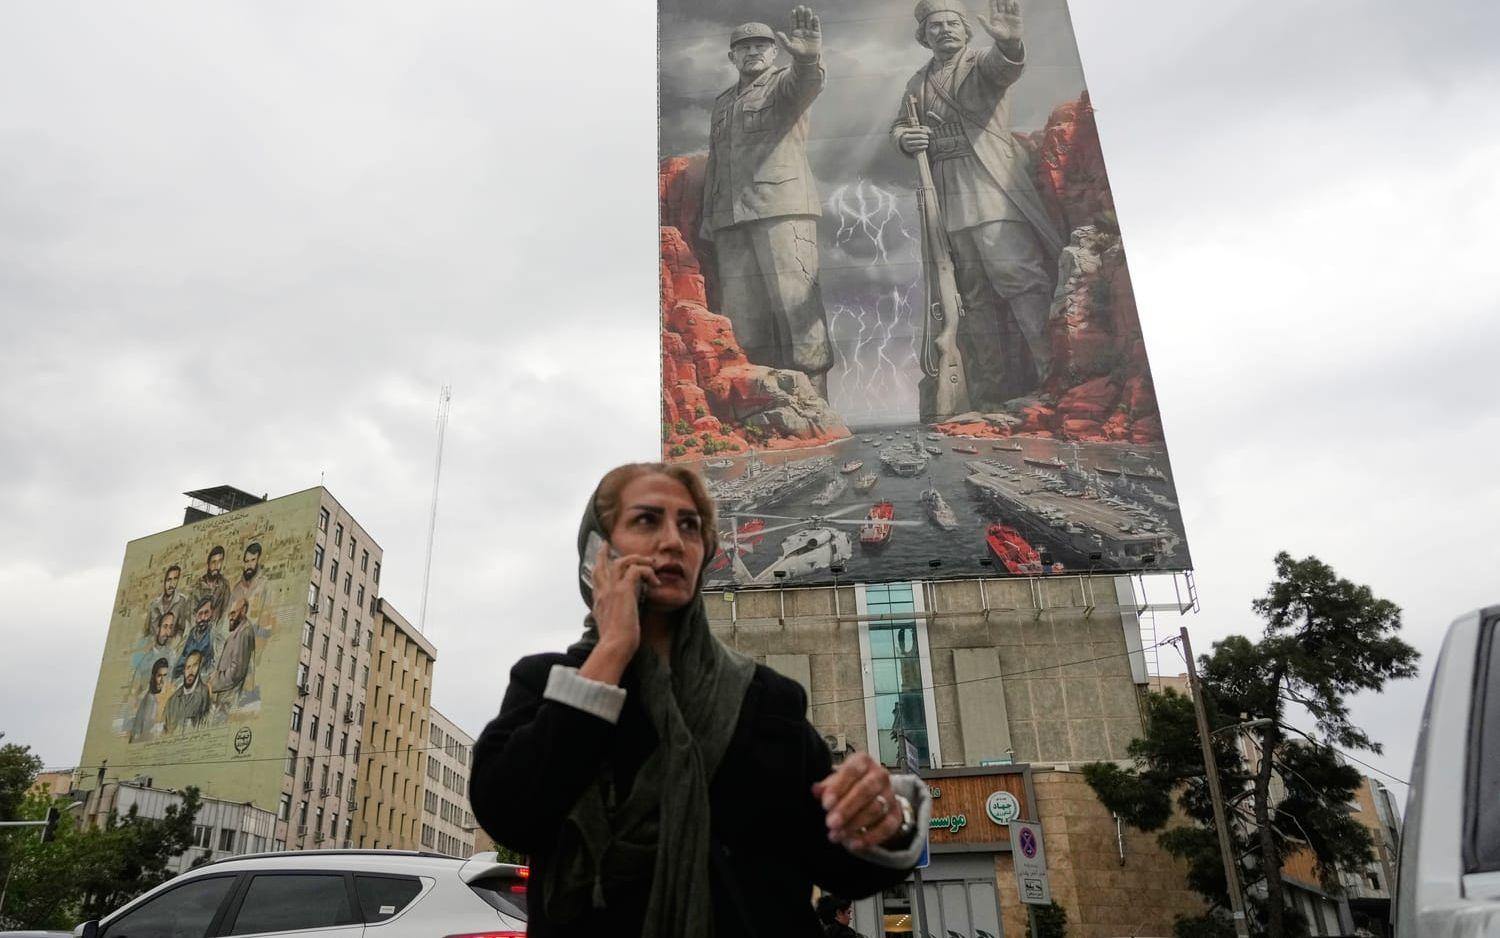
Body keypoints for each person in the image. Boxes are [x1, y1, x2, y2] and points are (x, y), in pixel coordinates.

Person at [471, 462, 930, 937]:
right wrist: (612, 650)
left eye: (689, 525)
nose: (673, 541)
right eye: (647, 520)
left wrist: (885, 819)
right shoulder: (545, 682)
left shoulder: (763, 699)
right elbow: (512, 813)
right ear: (596, 555)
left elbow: (838, 866)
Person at [892, 0, 1065, 406]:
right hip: (947, 193)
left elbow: (1005, 67)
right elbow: (900, 123)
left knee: (1020, 280)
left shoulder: (980, 63)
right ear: (924, 35)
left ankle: (1051, 376)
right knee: (970, 298)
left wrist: (1010, 43)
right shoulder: (917, 82)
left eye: (952, 23)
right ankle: (990, 390)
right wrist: (903, 138)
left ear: (966, 30)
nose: (944, 30)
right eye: (935, 25)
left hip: (989, 182)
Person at [701, 8, 833, 398]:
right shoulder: (723, 103)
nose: (752, 52)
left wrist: (807, 59)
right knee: (743, 320)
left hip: (782, 210)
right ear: (731, 57)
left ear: (775, 53)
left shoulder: (784, 85)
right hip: (732, 221)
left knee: (798, 310)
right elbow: (716, 162)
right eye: (743, 47)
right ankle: (764, 406)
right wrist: (710, 218)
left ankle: (818, 405)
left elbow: (807, 84)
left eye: (761, 45)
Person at [212, 596, 255, 708]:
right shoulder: (239, 632)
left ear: (244, 611)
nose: (230, 617)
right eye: (229, 614)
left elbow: (236, 672)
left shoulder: (243, 633)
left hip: (230, 699)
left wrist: (214, 683)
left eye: (233, 613)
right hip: (226, 696)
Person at [163, 650, 211, 734]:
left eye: (195, 665)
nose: (191, 671)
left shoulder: (204, 693)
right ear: (184, 670)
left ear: (200, 667)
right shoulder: (172, 701)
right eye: (188, 667)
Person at [174, 596, 218, 680]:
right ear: (195, 615)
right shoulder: (190, 636)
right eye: (200, 614)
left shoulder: (214, 636)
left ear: (212, 614)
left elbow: (216, 664)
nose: (203, 618)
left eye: (206, 613)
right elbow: (180, 663)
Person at [145, 564, 193, 638]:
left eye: (175, 579)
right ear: (164, 581)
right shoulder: (154, 605)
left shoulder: (182, 601)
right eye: (169, 580)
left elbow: (182, 629)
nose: (172, 584)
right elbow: (146, 631)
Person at [129, 658, 169, 742]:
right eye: (159, 676)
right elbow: (147, 729)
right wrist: (163, 726)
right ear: (153, 676)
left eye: (165, 675)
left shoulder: (155, 696)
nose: (162, 680)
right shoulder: (151, 699)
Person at [193, 545, 231, 625]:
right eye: (214, 562)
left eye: (220, 561)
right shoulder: (198, 587)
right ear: (208, 564)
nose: (217, 566)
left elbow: (225, 611)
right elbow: (192, 614)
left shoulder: (224, 586)